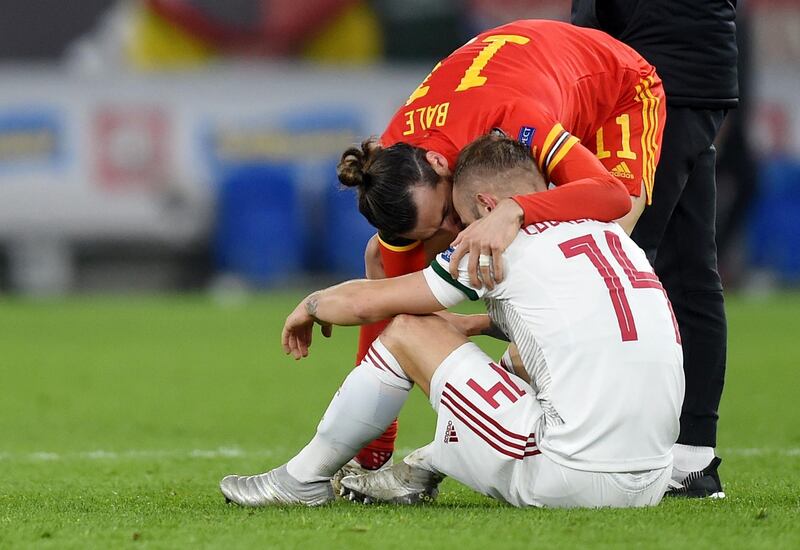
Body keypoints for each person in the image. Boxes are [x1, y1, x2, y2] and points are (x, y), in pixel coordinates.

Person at [220, 135, 683, 508]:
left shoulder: (493, 243)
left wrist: (312, 304)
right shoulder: (607, 231)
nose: (457, 232)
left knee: (406, 329)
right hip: (654, 477)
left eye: (457, 217)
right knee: (522, 359)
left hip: (572, 479)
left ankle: (302, 479)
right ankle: (427, 464)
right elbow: (569, 322)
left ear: (485, 205)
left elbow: (369, 304)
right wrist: (478, 325)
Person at [337, 18, 666, 474]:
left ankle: (546, 400)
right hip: (530, 83)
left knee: (595, 243)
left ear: (439, 162)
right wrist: (373, 453)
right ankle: (497, 396)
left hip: (617, 89)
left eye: (450, 217)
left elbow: (608, 195)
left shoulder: (510, 119)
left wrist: (516, 209)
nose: (452, 230)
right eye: (438, 229)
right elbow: (384, 295)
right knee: (386, 263)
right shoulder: (392, 177)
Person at [571, 0, 737, 496]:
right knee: (688, 267)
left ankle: (606, 444)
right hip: (689, 69)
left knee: (612, 262)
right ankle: (692, 458)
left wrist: (588, 52)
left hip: (654, 75)